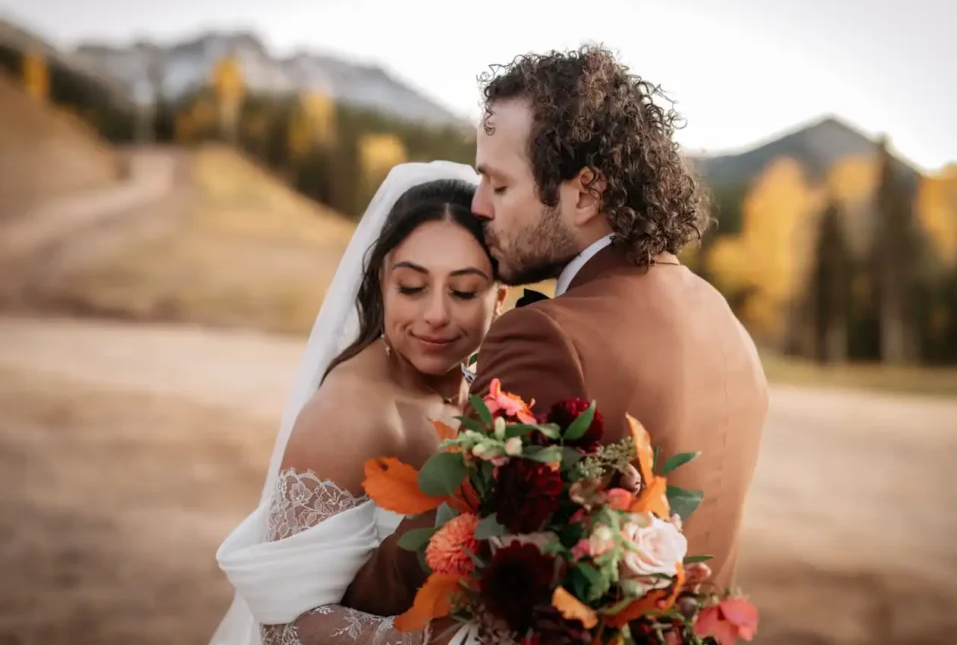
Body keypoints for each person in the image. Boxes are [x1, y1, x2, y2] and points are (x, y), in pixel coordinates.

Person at [348, 46, 770, 636]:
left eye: (499, 184)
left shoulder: (546, 337)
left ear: (585, 191)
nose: (478, 206)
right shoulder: (721, 318)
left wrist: (335, 597)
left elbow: (449, 537)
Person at [211, 161, 506, 645]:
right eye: (411, 287)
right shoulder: (348, 415)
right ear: (380, 285)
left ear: (500, 298)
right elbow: (284, 626)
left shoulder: (489, 396)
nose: (436, 314)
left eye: (464, 291)